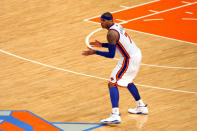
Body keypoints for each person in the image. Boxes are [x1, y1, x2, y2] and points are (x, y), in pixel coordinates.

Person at [82, 12, 148, 124]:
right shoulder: (117, 26)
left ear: (109, 20)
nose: (101, 23)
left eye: (103, 21)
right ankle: (141, 106)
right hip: (136, 54)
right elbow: (117, 43)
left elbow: (111, 55)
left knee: (112, 83)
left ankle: (115, 115)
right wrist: (102, 45)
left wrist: (95, 52)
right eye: (100, 21)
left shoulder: (111, 34)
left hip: (129, 59)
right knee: (128, 81)